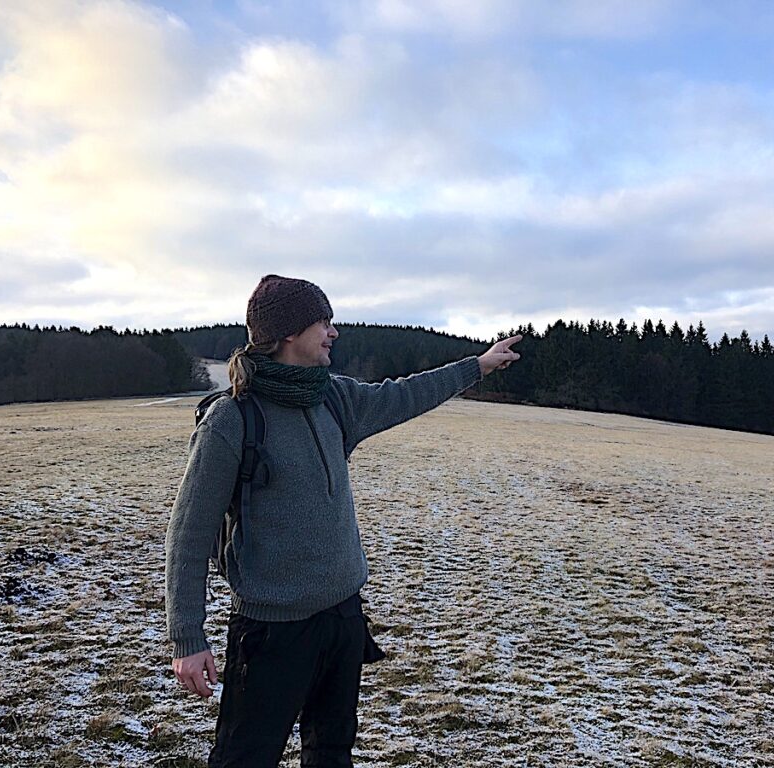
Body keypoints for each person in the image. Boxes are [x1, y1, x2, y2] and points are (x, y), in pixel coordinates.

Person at [165, 274, 522, 767]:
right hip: (272, 632)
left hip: (342, 619)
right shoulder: (233, 419)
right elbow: (189, 534)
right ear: (289, 333)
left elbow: (405, 395)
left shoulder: (334, 397)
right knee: (244, 758)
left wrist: (476, 367)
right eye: (323, 322)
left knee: (331, 754)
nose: (333, 332)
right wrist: (188, 636)